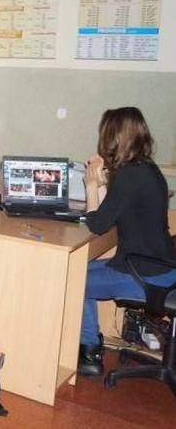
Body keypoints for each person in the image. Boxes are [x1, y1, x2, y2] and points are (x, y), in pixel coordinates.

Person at [77, 107, 175, 377]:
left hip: (144, 275)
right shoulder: (147, 168)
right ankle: (90, 344)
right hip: (161, 267)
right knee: (77, 270)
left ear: (113, 137)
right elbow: (113, 212)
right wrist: (102, 182)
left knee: (74, 280)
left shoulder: (129, 175)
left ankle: (89, 353)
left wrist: (90, 184)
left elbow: (97, 224)